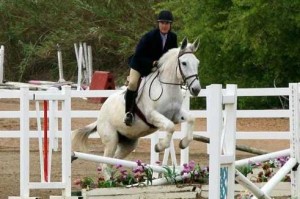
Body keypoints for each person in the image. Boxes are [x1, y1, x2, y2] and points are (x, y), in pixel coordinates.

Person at [124, 10, 178, 126]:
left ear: (170, 25)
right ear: (158, 24)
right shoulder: (149, 36)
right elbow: (138, 54)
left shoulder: (173, 37)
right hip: (140, 64)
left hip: (158, 67)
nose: (164, 26)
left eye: (167, 23)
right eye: (162, 23)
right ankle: (129, 113)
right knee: (133, 83)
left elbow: (173, 56)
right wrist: (152, 63)